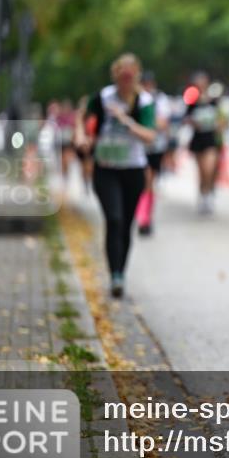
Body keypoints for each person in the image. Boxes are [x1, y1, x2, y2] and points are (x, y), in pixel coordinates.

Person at [75, 54, 156, 298]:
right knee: (114, 219)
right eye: (122, 77)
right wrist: (81, 136)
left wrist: (126, 120)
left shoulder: (144, 101)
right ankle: (115, 276)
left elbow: (149, 136)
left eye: (130, 78)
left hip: (133, 170)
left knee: (126, 224)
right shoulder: (102, 97)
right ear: (116, 76)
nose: (125, 82)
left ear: (136, 77)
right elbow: (83, 118)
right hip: (105, 169)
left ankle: (121, 270)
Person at [136, 71, 171, 235]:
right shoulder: (135, 99)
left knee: (149, 182)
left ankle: (145, 217)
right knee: (144, 182)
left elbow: (163, 123)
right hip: (138, 148)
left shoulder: (160, 99)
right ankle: (143, 217)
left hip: (155, 147)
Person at [185, 71, 224, 214]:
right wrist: (194, 122)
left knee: (209, 169)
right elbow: (186, 118)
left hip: (211, 140)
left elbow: (222, 118)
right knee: (201, 171)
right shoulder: (192, 101)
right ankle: (203, 195)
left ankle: (208, 194)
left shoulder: (214, 100)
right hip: (198, 139)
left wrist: (219, 124)